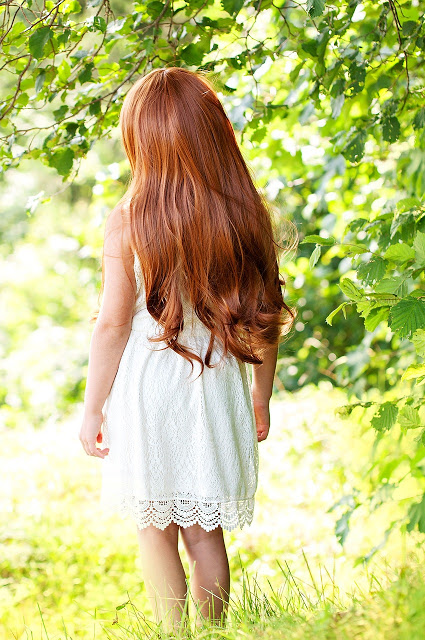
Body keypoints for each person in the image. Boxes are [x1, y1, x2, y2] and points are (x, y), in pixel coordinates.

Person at [79, 66, 296, 632]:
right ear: (214, 134)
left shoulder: (128, 221)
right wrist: (261, 398)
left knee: (155, 528)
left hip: (149, 391)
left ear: (140, 141)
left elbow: (111, 326)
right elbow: (265, 315)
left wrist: (92, 407)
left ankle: (173, 633)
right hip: (216, 385)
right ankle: (215, 632)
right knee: (205, 534)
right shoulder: (241, 212)